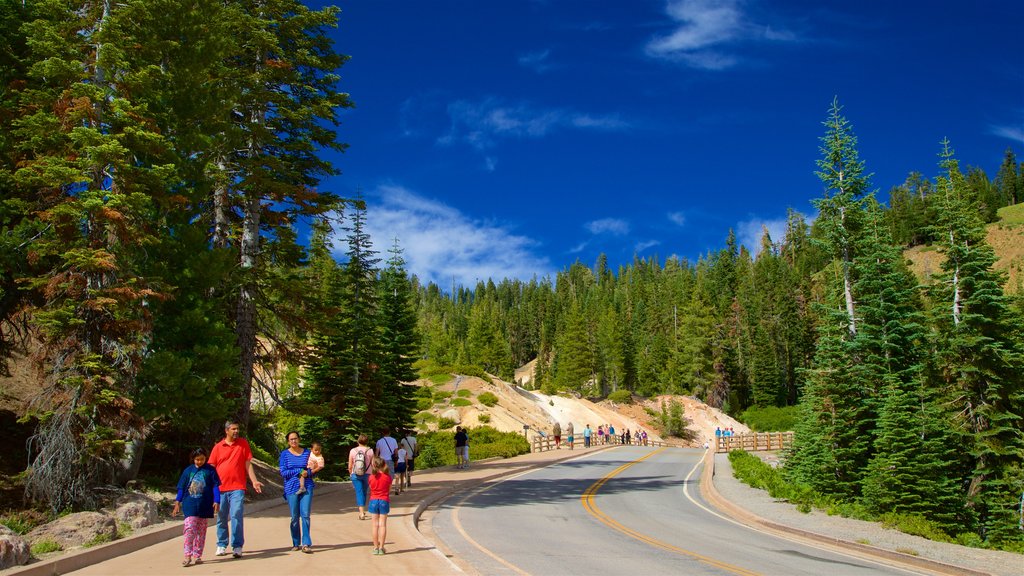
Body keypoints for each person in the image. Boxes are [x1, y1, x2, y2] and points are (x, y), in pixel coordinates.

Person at [208, 420, 263, 558]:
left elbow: (248, 464)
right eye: (233, 429)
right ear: (226, 430)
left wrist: (254, 481)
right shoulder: (218, 447)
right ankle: (221, 544)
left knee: (236, 515)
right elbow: (211, 468)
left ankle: (237, 546)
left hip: (238, 487)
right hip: (220, 488)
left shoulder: (243, 444)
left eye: (237, 429)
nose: (236, 431)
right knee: (221, 517)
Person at [173, 448, 220, 567]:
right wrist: (177, 502)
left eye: (202, 459)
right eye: (197, 459)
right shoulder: (188, 471)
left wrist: (217, 500)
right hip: (190, 503)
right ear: (193, 459)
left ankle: (197, 554)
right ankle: (187, 555)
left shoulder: (210, 470)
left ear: (206, 458)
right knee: (189, 528)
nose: (199, 462)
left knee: (201, 531)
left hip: (205, 504)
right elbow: (181, 488)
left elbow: (215, 486)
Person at [279, 431, 315, 553]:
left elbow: (312, 469)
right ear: (288, 442)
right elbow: (283, 472)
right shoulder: (284, 454)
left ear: (299, 439)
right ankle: (296, 542)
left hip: (307, 486)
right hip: (291, 488)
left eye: (295, 438)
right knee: (295, 517)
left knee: (305, 514)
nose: (294, 441)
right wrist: (299, 471)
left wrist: (307, 473)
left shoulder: (307, 453)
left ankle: (306, 543)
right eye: (291, 439)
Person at [368, 456, 393, 555]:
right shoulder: (388, 477)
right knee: (382, 525)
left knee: (375, 525)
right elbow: (389, 490)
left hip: (373, 500)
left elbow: (371, 488)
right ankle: (382, 548)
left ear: (374, 465)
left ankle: (375, 547)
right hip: (384, 500)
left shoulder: (371, 477)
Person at [348, 435, 374, 520]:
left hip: (355, 474)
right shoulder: (370, 450)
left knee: (359, 492)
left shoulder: (353, 450)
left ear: (358, 441)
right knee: (364, 491)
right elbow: (373, 464)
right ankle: (362, 510)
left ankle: (361, 512)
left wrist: (350, 473)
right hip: (367, 474)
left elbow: (350, 465)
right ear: (367, 442)